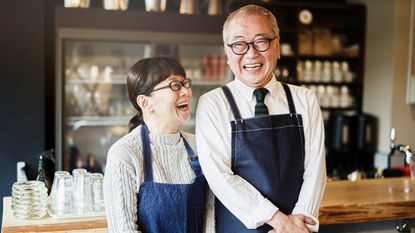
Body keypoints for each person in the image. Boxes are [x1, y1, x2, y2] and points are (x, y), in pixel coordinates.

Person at [195, 5, 326, 233]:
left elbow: (316, 168)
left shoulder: (305, 99)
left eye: (260, 41)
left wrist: (298, 222)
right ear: (227, 52)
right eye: (238, 44)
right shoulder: (213, 104)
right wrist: (280, 222)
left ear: (276, 45)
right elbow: (219, 177)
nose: (251, 53)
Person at [103, 56, 214, 233]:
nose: (186, 91)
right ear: (145, 102)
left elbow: (209, 219)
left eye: (185, 83)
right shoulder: (125, 154)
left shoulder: (198, 146)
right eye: (175, 85)